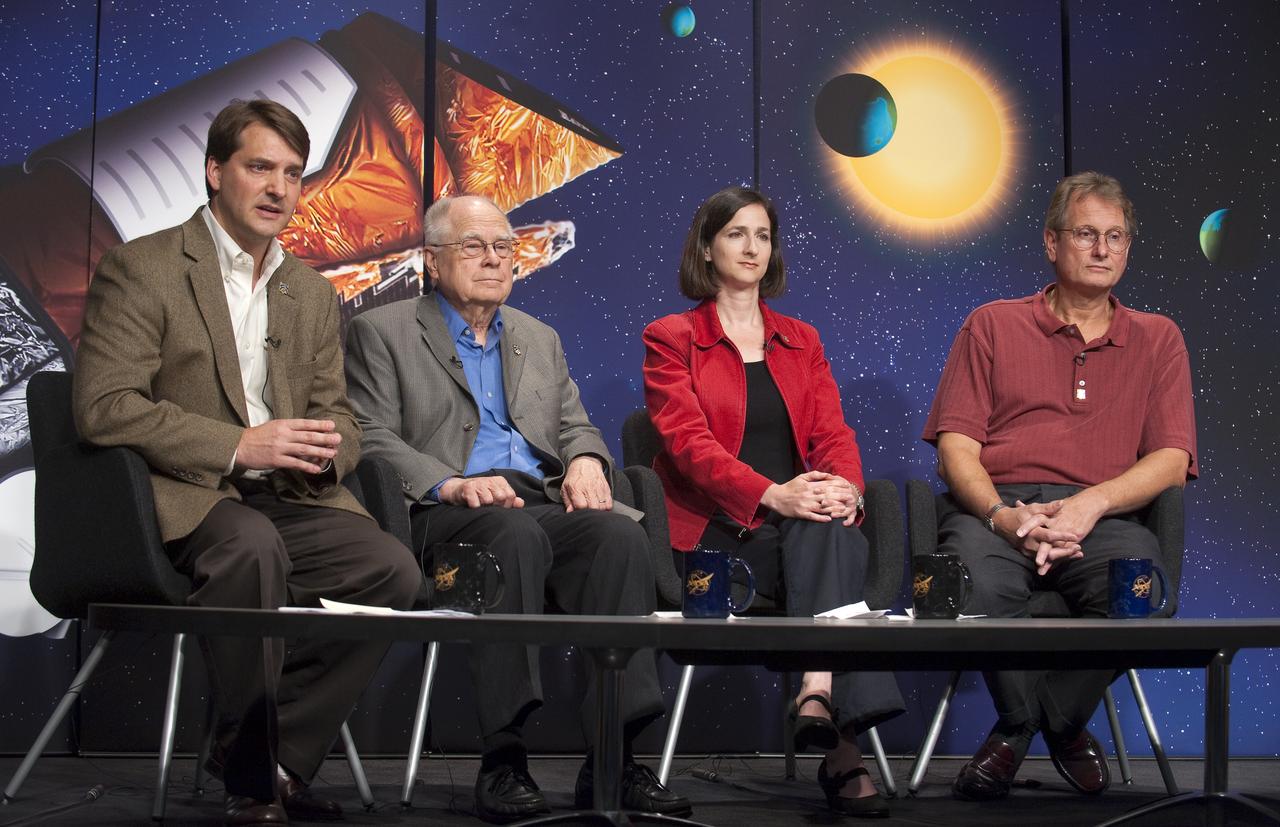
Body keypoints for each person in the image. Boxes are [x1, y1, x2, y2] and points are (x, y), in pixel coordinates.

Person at [72, 100, 422, 826]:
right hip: (182, 494)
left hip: (290, 497)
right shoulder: (144, 268)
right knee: (251, 546)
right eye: (259, 167)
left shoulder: (311, 293)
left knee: (393, 570)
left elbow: (345, 418)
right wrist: (239, 445)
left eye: (293, 174)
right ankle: (257, 782)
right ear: (214, 171)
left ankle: (270, 752)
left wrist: (328, 452)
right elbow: (104, 406)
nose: (278, 189)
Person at [343, 194, 690, 823]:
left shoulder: (539, 337)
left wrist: (586, 460)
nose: (494, 259)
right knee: (512, 535)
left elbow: (576, 427)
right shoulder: (382, 331)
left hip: (535, 503)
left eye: (503, 247)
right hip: (446, 513)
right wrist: (447, 482)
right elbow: (366, 434)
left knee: (618, 538)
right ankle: (504, 758)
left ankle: (615, 759)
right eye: (474, 246)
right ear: (432, 260)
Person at [922, 171, 1197, 801]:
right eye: (1086, 234)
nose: (1102, 249)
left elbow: (1170, 458)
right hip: (998, 508)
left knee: (1142, 591)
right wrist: (1002, 516)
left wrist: (1088, 505)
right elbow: (956, 448)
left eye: (1116, 237)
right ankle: (1049, 728)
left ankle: (1036, 725)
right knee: (968, 582)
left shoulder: (1159, 338)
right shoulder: (991, 324)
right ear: (1051, 243)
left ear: (1128, 249)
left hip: (1103, 514)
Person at [641, 185, 904, 818]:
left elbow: (833, 433)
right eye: (736, 234)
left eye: (762, 235)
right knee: (820, 530)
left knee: (830, 523)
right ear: (707, 248)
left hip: (799, 531)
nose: (752, 247)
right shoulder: (672, 337)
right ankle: (843, 751)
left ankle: (816, 690)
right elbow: (688, 447)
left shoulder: (800, 340)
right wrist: (772, 494)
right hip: (717, 533)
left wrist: (841, 487)